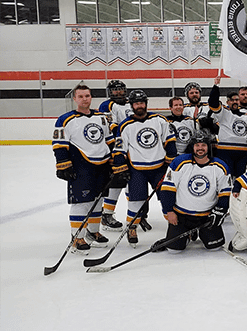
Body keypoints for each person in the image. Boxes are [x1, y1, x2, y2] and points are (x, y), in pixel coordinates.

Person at [112, 89, 177, 246]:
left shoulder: (159, 120)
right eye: (136, 103)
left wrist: (171, 159)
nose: (139, 106)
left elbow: (170, 140)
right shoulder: (125, 125)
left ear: (146, 104)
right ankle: (131, 227)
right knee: (136, 201)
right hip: (137, 170)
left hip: (159, 168)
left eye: (141, 103)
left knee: (167, 198)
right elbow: (119, 149)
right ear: (132, 105)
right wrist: (120, 166)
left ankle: (175, 227)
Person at [53, 84, 113, 254]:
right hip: (81, 166)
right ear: (74, 99)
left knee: (99, 199)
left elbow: (109, 140)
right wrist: (63, 164)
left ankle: (93, 232)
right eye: (81, 96)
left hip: (102, 164)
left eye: (87, 95)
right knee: (81, 202)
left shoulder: (101, 117)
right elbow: (59, 144)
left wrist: (113, 161)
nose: (84, 99)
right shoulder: (65, 119)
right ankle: (76, 237)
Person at [158, 131, 231, 252]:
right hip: (182, 216)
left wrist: (219, 211)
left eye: (203, 145)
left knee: (215, 247)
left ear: (208, 146)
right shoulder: (179, 163)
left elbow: (225, 193)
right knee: (174, 250)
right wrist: (169, 211)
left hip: (206, 216)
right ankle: (188, 235)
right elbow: (167, 189)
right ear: (193, 147)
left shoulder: (220, 166)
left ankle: (202, 233)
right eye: (197, 145)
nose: (200, 148)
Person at [98, 79, 132, 231]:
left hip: (134, 148)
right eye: (115, 90)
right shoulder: (107, 105)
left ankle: (137, 213)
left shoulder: (132, 103)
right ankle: (106, 213)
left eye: (120, 89)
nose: (118, 92)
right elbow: (110, 128)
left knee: (133, 181)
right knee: (117, 182)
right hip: (117, 148)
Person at [208, 77, 247, 178]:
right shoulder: (223, 113)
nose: (235, 102)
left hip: (242, 152)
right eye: (232, 100)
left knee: (240, 179)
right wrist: (216, 86)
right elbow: (213, 103)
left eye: (237, 100)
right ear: (227, 102)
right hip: (224, 151)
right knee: (226, 177)